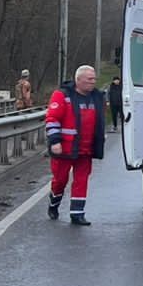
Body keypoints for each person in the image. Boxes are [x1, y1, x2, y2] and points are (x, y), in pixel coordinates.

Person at [45, 65, 107, 225]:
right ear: (78, 80)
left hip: (86, 149)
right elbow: (52, 119)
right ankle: (54, 204)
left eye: (94, 79)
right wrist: (55, 141)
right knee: (60, 180)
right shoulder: (62, 96)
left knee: (82, 180)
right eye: (89, 79)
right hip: (65, 149)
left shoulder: (97, 97)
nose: (93, 82)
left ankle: (77, 213)